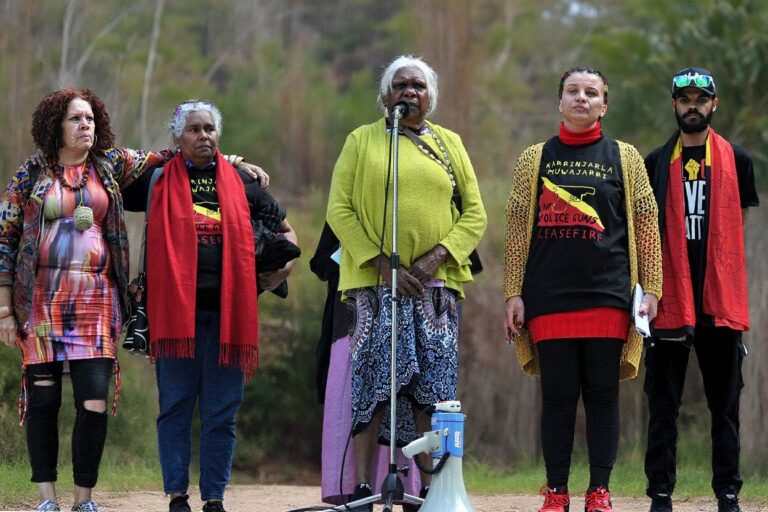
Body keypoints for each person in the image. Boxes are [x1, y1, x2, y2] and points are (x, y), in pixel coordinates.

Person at [0, 88, 183, 512]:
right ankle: (47, 498)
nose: (86, 125)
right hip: (40, 301)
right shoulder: (31, 173)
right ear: (56, 126)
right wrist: (5, 310)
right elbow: (5, 240)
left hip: (96, 302)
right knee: (44, 400)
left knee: (94, 400)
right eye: (75, 119)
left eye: (90, 119)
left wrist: (232, 163)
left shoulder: (109, 164)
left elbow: (167, 157)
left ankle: (84, 498)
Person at [326, 54, 486, 511]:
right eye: (400, 85)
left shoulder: (450, 143)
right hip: (375, 285)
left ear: (430, 97)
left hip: (434, 288)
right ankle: (362, 488)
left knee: (431, 390)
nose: (409, 92)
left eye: (418, 85)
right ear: (385, 96)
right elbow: (339, 209)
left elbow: (475, 213)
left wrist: (438, 256)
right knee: (372, 385)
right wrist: (381, 263)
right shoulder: (361, 140)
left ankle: (432, 490)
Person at [121, 99, 297, 512]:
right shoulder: (156, 180)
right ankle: (177, 495)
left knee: (222, 411)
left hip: (229, 316)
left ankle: (214, 497)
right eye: (194, 129)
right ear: (177, 137)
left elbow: (287, 234)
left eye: (210, 129)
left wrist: (282, 272)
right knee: (175, 407)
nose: (204, 136)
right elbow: (113, 177)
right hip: (174, 317)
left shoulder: (242, 182)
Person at [503, 67, 663, 512]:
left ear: (604, 105)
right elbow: (516, 227)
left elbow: (646, 223)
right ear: (559, 102)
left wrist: (652, 288)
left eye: (591, 93)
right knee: (557, 397)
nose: (581, 98)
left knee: (602, 396)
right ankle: (556, 492)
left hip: (608, 296)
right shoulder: (534, 158)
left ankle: (599, 492)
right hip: (549, 297)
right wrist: (512, 292)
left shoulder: (625, 157)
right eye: (572, 91)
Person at [643, 67, 759, 512]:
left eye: (701, 99)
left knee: (724, 407)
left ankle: (728, 493)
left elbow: (737, 224)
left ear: (714, 104)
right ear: (674, 104)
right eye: (685, 99)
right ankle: (660, 494)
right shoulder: (656, 162)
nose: (693, 106)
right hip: (669, 298)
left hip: (719, 298)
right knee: (663, 405)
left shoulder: (739, 160)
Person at [310, 223, 422, 508]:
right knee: (354, 400)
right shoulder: (347, 212)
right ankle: (357, 489)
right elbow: (321, 263)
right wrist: (361, 259)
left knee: (409, 399)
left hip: (410, 313)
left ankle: (412, 489)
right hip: (352, 318)